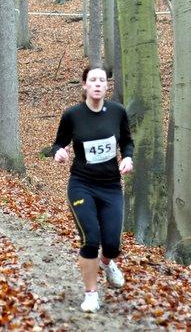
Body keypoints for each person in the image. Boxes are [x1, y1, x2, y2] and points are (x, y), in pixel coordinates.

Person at [51, 65, 134, 313]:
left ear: (106, 86)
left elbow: (127, 141)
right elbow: (58, 143)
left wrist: (128, 158)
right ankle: (91, 295)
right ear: (84, 85)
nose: (98, 84)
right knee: (90, 239)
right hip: (82, 185)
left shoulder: (117, 112)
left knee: (112, 244)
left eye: (102, 80)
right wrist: (59, 152)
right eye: (93, 80)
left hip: (110, 186)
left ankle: (107, 263)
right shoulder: (72, 115)